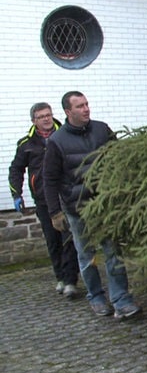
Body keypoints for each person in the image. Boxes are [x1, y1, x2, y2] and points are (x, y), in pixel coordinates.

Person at [43, 91, 142, 320]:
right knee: (86, 255)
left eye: (87, 104)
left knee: (113, 252)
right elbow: (50, 179)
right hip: (77, 208)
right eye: (79, 106)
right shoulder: (57, 142)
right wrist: (54, 213)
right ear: (68, 112)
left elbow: (118, 159)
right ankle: (96, 298)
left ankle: (121, 300)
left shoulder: (101, 129)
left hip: (104, 204)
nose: (86, 109)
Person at [9, 102, 79, 298]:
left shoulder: (63, 136)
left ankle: (71, 280)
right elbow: (16, 169)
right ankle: (61, 277)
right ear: (34, 121)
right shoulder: (26, 144)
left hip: (66, 196)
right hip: (43, 200)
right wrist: (17, 194)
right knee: (53, 240)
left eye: (48, 115)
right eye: (41, 117)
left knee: (69, 239)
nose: (47, 119)